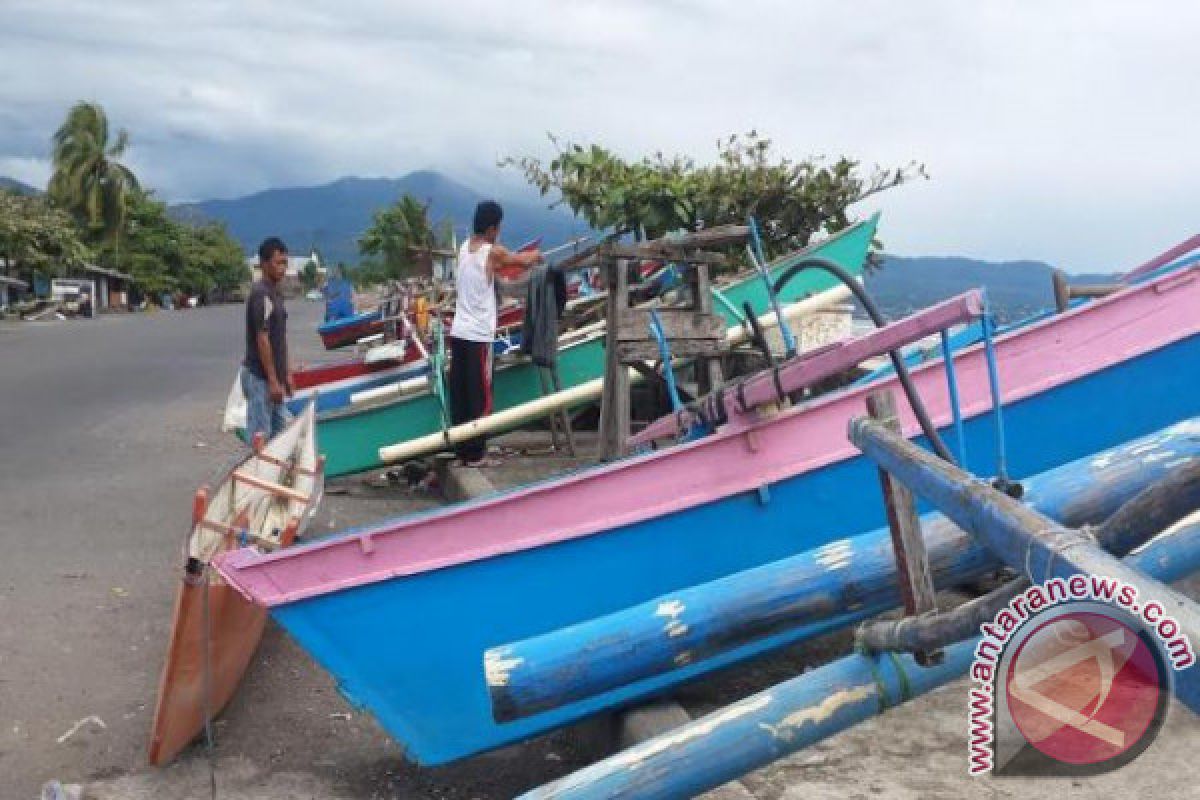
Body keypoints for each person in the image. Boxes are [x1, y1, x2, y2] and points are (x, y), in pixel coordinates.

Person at [448, 201, 542, 466]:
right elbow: (519, 261)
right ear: (491, 228)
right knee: (481, 395)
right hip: (478, 335)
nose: (499, 232)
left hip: (459, 332)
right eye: (498, 227)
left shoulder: (463, 249)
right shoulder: (492, 252)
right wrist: (536, 256)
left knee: (462, 394)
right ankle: (477, 454)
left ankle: (463, 451)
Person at [241, 237, 294, 443]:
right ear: (264, 264)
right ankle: (257, 473)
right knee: (260, 439)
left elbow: (281, 336)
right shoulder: (261, 294)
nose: (282, 268)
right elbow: (262, 339)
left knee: (286, 432)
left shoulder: (276, 293)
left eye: (285, 263)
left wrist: (287, 373)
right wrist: (272, 380)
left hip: (273, 379)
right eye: (277, 263)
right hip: (260, 378)